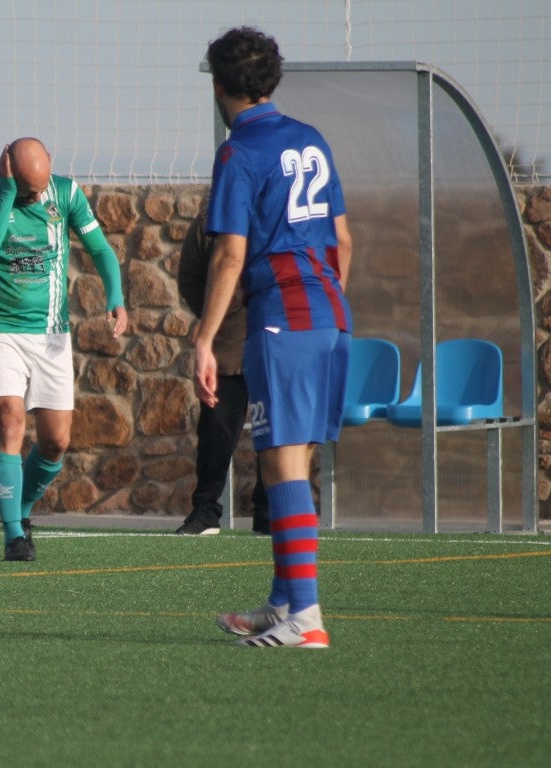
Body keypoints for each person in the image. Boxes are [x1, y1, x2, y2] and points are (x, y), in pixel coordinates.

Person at [194, 27, 352, 648]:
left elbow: (230, 255)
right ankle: (286, 600)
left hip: (280, 320)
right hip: (330, 317)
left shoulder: (239, 151)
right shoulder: (311, 139)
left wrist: (204, 339)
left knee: (281, 463)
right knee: (293, 461)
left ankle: (306, 620)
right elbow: (344, 242)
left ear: (220, 84)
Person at [0, 138, 127, 560]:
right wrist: (5, 192)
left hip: (51, 333)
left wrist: (115, 297)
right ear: (8, 171)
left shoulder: (67, 193)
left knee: (56, 442)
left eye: (40, 187)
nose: (36, 196)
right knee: (10, 418)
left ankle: (23, 511)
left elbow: (100, 250)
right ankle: (13, 534)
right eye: (26, 188)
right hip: (0, 330)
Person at [176, 209, 270, 536]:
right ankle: (205, 510)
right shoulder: (209, 223)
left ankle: (270, 511)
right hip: (226, 342)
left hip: (272, 336)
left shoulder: (275, 214)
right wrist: (213, 316)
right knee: (216, 424)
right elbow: (189, 276)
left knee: (273, 426)